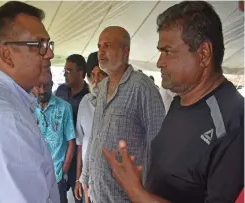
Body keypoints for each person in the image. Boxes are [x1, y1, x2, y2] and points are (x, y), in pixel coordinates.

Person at [102, 1, 244, 203]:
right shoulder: (179, 103)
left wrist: (137, 192)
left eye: (167, 51)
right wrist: (139, 182)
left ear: (203, 54)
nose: (159, 61)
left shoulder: (233, 121)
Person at [0, 1, 60, 203]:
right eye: (40, 45)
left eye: (48, 45)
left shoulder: (12, 104)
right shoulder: (5, 118)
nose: (49, 54)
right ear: (7, 55)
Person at [80, 26, 165, 203]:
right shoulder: (102, 88)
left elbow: (158, 144)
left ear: (125, 51)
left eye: (107, 46)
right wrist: (86, 178)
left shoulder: (142, 87)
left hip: (126, 197)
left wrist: (146, 194)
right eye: (99, 46)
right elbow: (95, 136)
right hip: (98, 194)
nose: (100, 52)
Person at [34, 72, 76, 203]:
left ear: (52, 85)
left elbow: (71, 142)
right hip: (34, 174)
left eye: (46, 86)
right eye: (38, 86)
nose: (42, 90)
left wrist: (64, 172)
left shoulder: (64, 108)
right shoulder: (28, 107)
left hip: (57, 175)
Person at [74, 51, 108, 202]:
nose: (96, 80)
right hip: (87, 179)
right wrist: (78, 180)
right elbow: (80, 144)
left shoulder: (119, 104)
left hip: (109, 179)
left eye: (101, 74)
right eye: (92, 76)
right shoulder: (84, 102)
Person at [55, 54, 89, 203]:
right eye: (64, 70)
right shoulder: (61, 91)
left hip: (80, 158)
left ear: (80, 73)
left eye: (69, 71)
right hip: (61, 155)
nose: (65, 74)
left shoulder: (89, 96)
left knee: (79, 197)